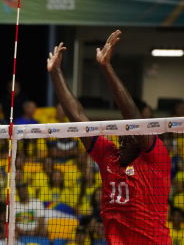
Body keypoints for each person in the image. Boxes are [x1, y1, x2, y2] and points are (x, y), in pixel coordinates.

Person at [46, 30, 171, 244]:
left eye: (129, 137)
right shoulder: (109, 158)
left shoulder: (156, 160)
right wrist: (56, 72)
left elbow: (134, 118)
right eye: (120, 137)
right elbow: (79, 119)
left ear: (140, 139)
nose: (122, 141)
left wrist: (106, 67)